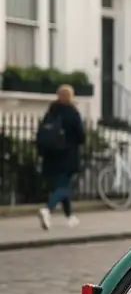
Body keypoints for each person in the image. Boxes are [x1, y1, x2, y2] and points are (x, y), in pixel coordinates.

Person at [36, 84, 85, 230]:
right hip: (67, 156)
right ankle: (47, 209)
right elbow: (81, 136)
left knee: (60, 186)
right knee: (64, 188)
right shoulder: (72, 113)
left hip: (50, 157)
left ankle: (70, 217)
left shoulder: (51, 112)